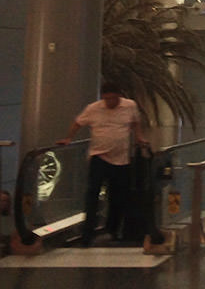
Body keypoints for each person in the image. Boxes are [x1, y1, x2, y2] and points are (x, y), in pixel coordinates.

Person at [58, 82, 146, 246]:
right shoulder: (93, 108)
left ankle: (113, 230)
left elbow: (135, 122)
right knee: (93, 194)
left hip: (121, 159)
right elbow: (78, 122)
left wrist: (138, 137)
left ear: (119, 96)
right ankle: (87, 233)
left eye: (113, 98)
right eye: (106, 99)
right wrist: (69, 138)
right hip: (99, 156)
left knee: (118, 196)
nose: (109, 102)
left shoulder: (130, 106)